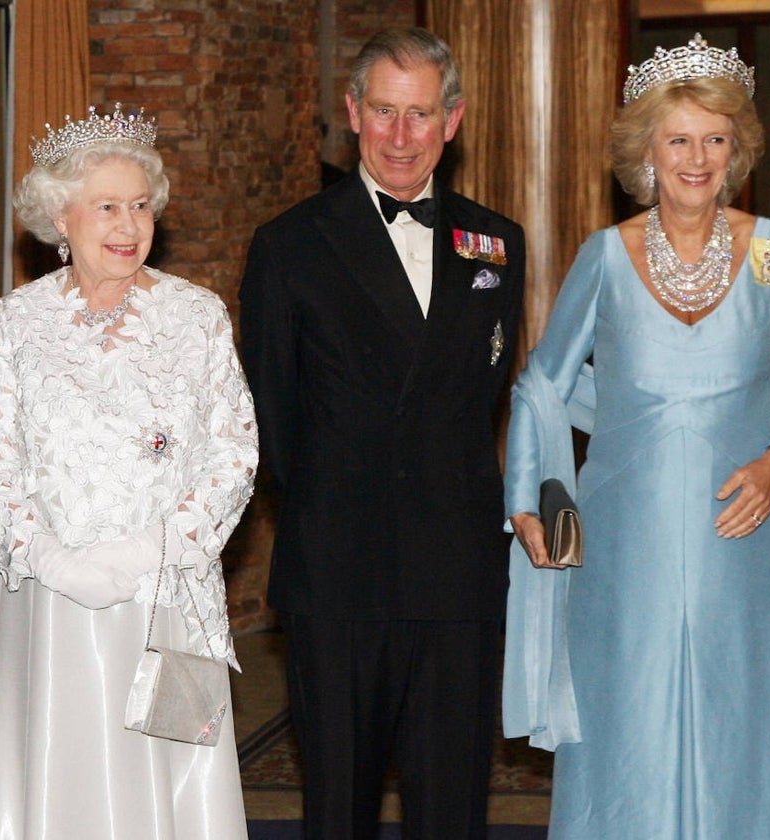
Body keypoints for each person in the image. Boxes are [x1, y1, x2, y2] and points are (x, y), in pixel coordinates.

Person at [503, 33, 770, 838]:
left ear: (737, 149)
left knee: (743, 705)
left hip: (742, 532)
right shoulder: (605, 258)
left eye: (715, 140)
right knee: (632, 707)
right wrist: (531, 502)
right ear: (646, 149)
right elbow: (543, 383)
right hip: (628, 537)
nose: (697, 158)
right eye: (679, 139)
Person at [239, 27, 526, 839]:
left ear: (454, 120)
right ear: (352, 113)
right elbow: (273, 418)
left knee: (452, 804)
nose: (403, 136)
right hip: (340, 569)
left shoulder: (497, 244)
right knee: (340, 803)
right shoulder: (290, 244)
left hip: (457, 571)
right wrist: (346, 502)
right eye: (386, 112)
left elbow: (486, 399)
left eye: (422, 114)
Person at [0, 102, 258, 839]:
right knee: (66, 777)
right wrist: (51, 559)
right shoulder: (18, 321)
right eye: (106, 208)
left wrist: (145, 553)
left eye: (140, 206)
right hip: (55, 604)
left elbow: (235, 452)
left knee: (168, 778)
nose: (129, 226)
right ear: (60, 218)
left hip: (165, 595)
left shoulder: (197, 316)